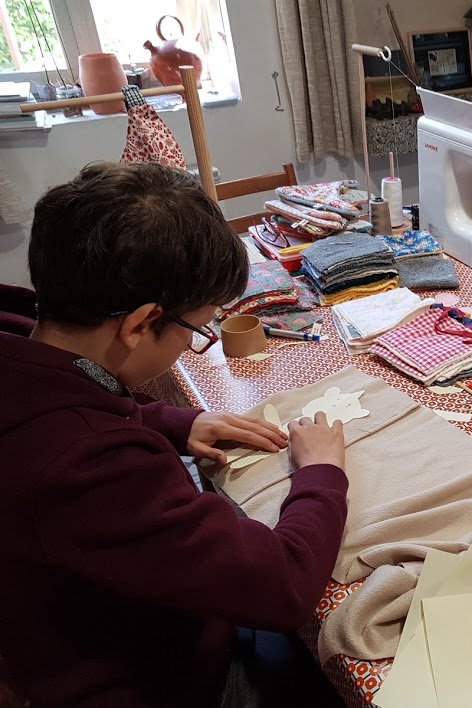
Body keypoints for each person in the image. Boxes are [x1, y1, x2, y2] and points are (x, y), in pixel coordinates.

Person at [0, 162, 348, 707]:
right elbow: (284, 587)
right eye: (196, 327)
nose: (193, 345)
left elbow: (78, 396)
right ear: (139, 324)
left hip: (103, 631)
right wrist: (323, 475)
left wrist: (173, 419)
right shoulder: (87, 469)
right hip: (166, 683)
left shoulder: (22, 340)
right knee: (335, 657)